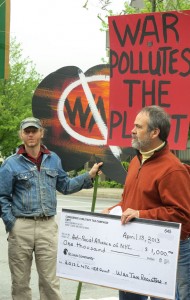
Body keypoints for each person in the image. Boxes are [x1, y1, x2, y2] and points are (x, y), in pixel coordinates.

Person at [0, 117, 102, 300]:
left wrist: (89, 176)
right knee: (20, 283)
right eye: (26, 131)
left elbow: (65, 186)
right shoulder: (11, 163)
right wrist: (11, 224)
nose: (30, 134)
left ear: (41, 133)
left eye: (34, 130)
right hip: (21, 227)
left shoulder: (53, 159)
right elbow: (2, 196)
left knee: (50, 282)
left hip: (47, 227)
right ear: (21, 134)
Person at [103, 105, 190, 300]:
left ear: (155, 132)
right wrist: (116, 208)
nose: (132, 130)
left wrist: (141, 215)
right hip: (133, 249)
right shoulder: (136, 161)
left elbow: (182, 217)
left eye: (138, 126)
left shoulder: (173, 169)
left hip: (163, 254)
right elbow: (131, 200)